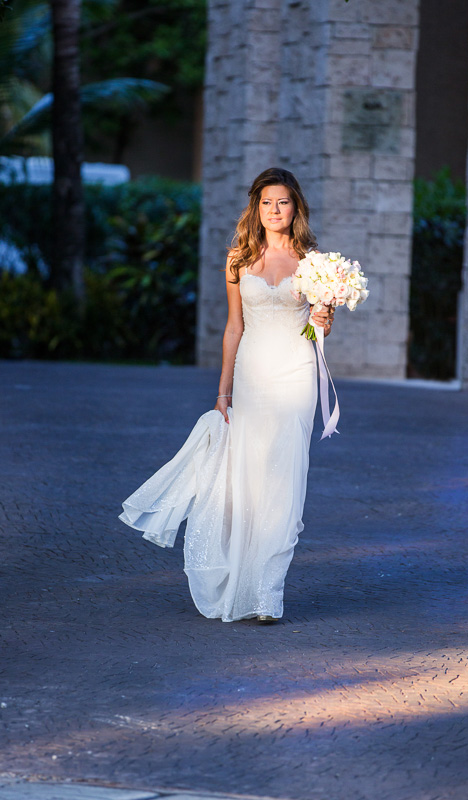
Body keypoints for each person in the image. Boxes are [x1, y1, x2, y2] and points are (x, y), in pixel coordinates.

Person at [119, 167, 334, 624]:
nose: (275, 210)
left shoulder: (315, 262)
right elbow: (234, 327)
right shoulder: (239, 260)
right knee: (251, 480)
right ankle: (244, 580)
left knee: (286, 480)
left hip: (296, 373)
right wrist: (223, 393)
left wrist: (324, 319)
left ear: (296, 208)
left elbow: (316, 328)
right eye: (266, 203)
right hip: (253, 374)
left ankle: (268, 594)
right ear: (256, 208)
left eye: (283, 202)